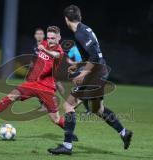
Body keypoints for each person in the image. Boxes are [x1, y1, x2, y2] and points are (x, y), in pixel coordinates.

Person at [48, 5, 133, 155]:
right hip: (99, 72)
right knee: (97, 109)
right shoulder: (84, 29)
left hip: (95, 73)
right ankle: (124, 133)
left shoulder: (81, 34)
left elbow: (95, 56)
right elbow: (92, 55)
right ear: (80, 17)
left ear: (66, 19)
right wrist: (78, 66)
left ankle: (67, 146)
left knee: (68, 106)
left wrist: (83, 74)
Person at [0, 26, 78, 141]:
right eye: (49, 37)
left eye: (53, 38)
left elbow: (54, 55)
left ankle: (69, 133)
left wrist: (44, 50)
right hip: (32, 83)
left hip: (47, 88)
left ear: (59, 38)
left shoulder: (59, 51)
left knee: (55, 118)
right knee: (11, 96)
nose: (50, 40)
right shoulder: (43, 43)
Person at [67, 45, 91, 115]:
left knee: (80, 90)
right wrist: (73, 64)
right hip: (80, 68)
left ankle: (72, 107)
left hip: (86, 68)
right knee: (82, 91)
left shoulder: (87, 48)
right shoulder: (74, 48)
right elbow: (67, 58)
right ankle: (88, 109)